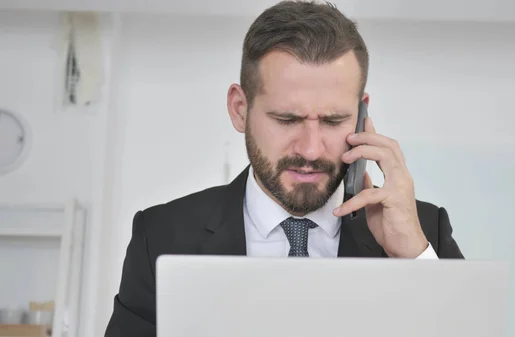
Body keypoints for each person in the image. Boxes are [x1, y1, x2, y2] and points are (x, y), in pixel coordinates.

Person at [104, 1, 463, 336]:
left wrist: (416, 258)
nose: (310, 148)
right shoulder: (162, 237)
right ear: (240, 109)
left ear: (361, 114)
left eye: (334, 120)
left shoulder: (423, 233)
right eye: (287, 119)